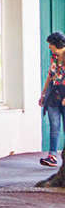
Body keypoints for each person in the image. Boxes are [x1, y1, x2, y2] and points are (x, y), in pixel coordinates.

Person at [39, 31, 65, 167]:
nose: (49, 47)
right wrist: (43, 93)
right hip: (53, 94)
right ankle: (52, 156)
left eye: (51, 44)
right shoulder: (54, 57)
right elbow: (50, 75)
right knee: (54, 126)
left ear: (57, 44)